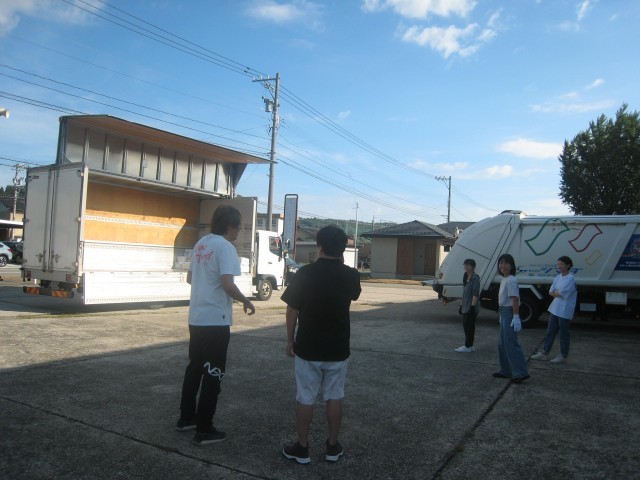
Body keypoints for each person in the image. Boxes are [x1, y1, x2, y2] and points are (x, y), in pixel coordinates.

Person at [281, 225, 361, 464]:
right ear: (343, 249)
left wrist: (290, 339)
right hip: (338, 347)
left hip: (308, 346)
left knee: (305, 397)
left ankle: (302, 448)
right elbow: (354, 294)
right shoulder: (351, 275)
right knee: (334, 396)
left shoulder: (304, 273)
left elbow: (292, 309)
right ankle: (332, 447)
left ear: (319, 246)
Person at [176, 205, 256, 446]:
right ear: (230, 225)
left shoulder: (202, 244)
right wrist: (246, 300)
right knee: (213, 372)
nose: (239, 231)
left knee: (194, 369)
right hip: (215, 321)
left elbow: (191, 278)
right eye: (239, 226)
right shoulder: (225, 247)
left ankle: (186, 419)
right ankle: (204, 429)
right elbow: (227, 284)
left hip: (196, 318)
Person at [532, 256, 577, 364]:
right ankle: (544, 353)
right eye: (558, 264)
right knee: (550, 332)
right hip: (555, 309)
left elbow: (562, 293)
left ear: (568, 265)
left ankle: (563, 355)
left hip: (564, 310)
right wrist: (556, 292)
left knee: (563, 333)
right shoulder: (558, 277)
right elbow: (550, 291)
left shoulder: (570, 279)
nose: (559, 266)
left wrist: (556, 292)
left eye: (561, 264)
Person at [492, 253, 530, 384]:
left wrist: (516, 316)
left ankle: (521, 372)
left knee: (511, 343)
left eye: (506, 263)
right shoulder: (504, 279)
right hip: (504, 311)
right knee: (502, 344)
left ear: (512, 265)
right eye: (501, 263)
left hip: (509, 312)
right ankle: (506, 370)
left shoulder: (511, 280)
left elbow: (515, 299)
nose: (503, 265)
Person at [455, 259, 480, 353]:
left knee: (469, 326)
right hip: (465, 306)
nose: (466, 267)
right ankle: (470, 345)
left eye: (468, 265)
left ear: (473, 267)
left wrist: (472, 307)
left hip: (471, 307)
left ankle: (467, 346)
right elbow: (464, 293)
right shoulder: (465, 276)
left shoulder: (475, 278)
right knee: (467, 325)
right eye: (465, 265)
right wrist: (461, 305)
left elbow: (475, 293)